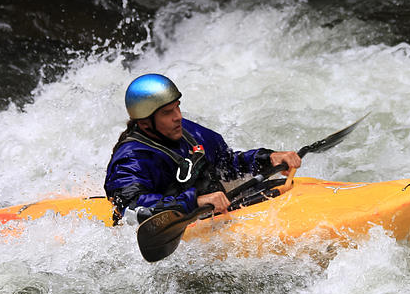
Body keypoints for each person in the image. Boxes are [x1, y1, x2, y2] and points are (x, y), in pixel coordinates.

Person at [104, 74, 301, 223]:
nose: (178, 116)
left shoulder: (188, 132)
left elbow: (227, 164)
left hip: (210, 213)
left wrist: (267, 159)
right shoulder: (131, 158)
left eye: (177, 107)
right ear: (146, 123)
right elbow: (130, 207)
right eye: (167, 112)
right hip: (180, 225)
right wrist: (195, 201)